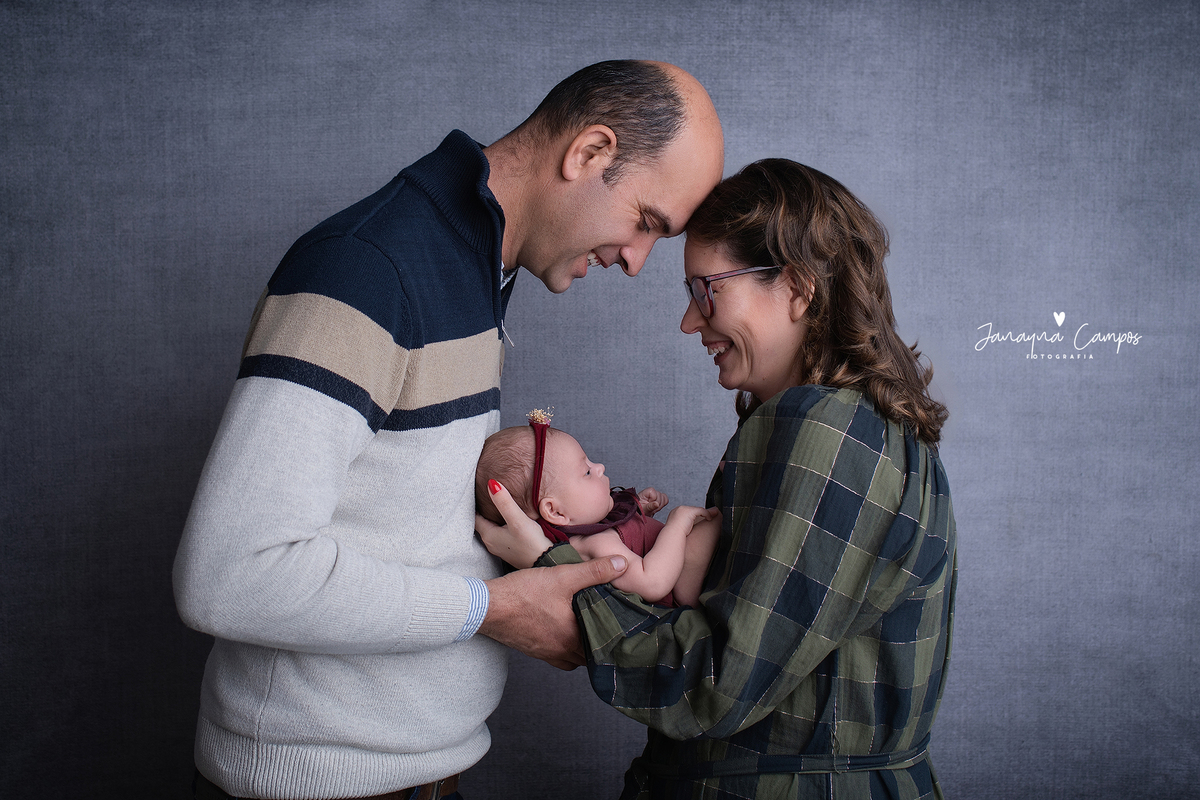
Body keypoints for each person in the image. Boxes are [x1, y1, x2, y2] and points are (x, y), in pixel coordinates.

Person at [173, 60, 724, 800]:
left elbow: (399, 516)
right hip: (319, 782)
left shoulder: (471, 269)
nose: (635, 261)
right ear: (589, 153)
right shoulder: (367, 272)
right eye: (646, 222)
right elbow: (229, 576)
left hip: (416, 774)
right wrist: (493, 610)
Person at [480, 159, 957, 799]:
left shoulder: (830, 430)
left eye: (707, 290)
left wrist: (554, 572)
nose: (689, 321)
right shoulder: (853, 428)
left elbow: (716, 682)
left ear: (797, 287)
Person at [475, 413, 720, 606]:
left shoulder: (592, 529)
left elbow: (634, 546)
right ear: (556, 512)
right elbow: (653, 582)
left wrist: (640, 515)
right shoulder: (596, 543)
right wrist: (677, 524)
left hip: (688, 574)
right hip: (682, 586)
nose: (600, 467)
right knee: (716, 522)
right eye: (587, 472)